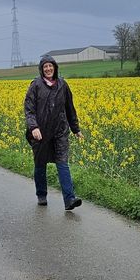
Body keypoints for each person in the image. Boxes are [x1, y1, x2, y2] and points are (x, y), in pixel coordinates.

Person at [24, 55, 84, 210]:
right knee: (40, 163)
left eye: (51, 66)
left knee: (62, 162)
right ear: (41, 69)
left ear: (55, 68)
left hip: (60, 131)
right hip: (41, 132)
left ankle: (69, 199)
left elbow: (70, 108)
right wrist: (33, 127)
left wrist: (75, 129)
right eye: (45, 67)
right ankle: (41, 194)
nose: (48, 69)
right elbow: (29, 109)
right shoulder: (35, 85)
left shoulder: (63, 85)